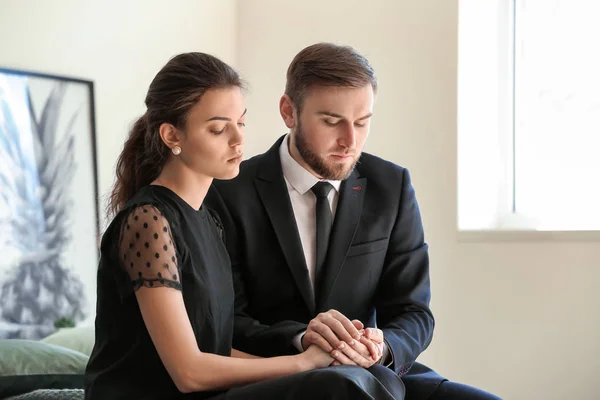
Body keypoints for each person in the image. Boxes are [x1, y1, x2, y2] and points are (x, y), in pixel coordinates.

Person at [84, 52, 405, 400]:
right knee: (335, 385)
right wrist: (303, 365)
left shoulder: (209, 220)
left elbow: (218, 350)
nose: (238, 140)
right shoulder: (148, 221)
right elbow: (189, 372)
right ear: (171, 136)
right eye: (219, 129)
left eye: (241, 123)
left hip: (210, 393)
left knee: (361, 378)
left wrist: (318, 361)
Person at [205, 43, 502, 400]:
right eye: (331, 122)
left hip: (374, 374)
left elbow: (413, 311)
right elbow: (226, 319)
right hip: (275, 376)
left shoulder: (391, 186)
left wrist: (382, 346)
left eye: (362, 122)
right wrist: (304, 338)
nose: (350, 141)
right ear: (289, 112)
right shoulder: (228, 192)